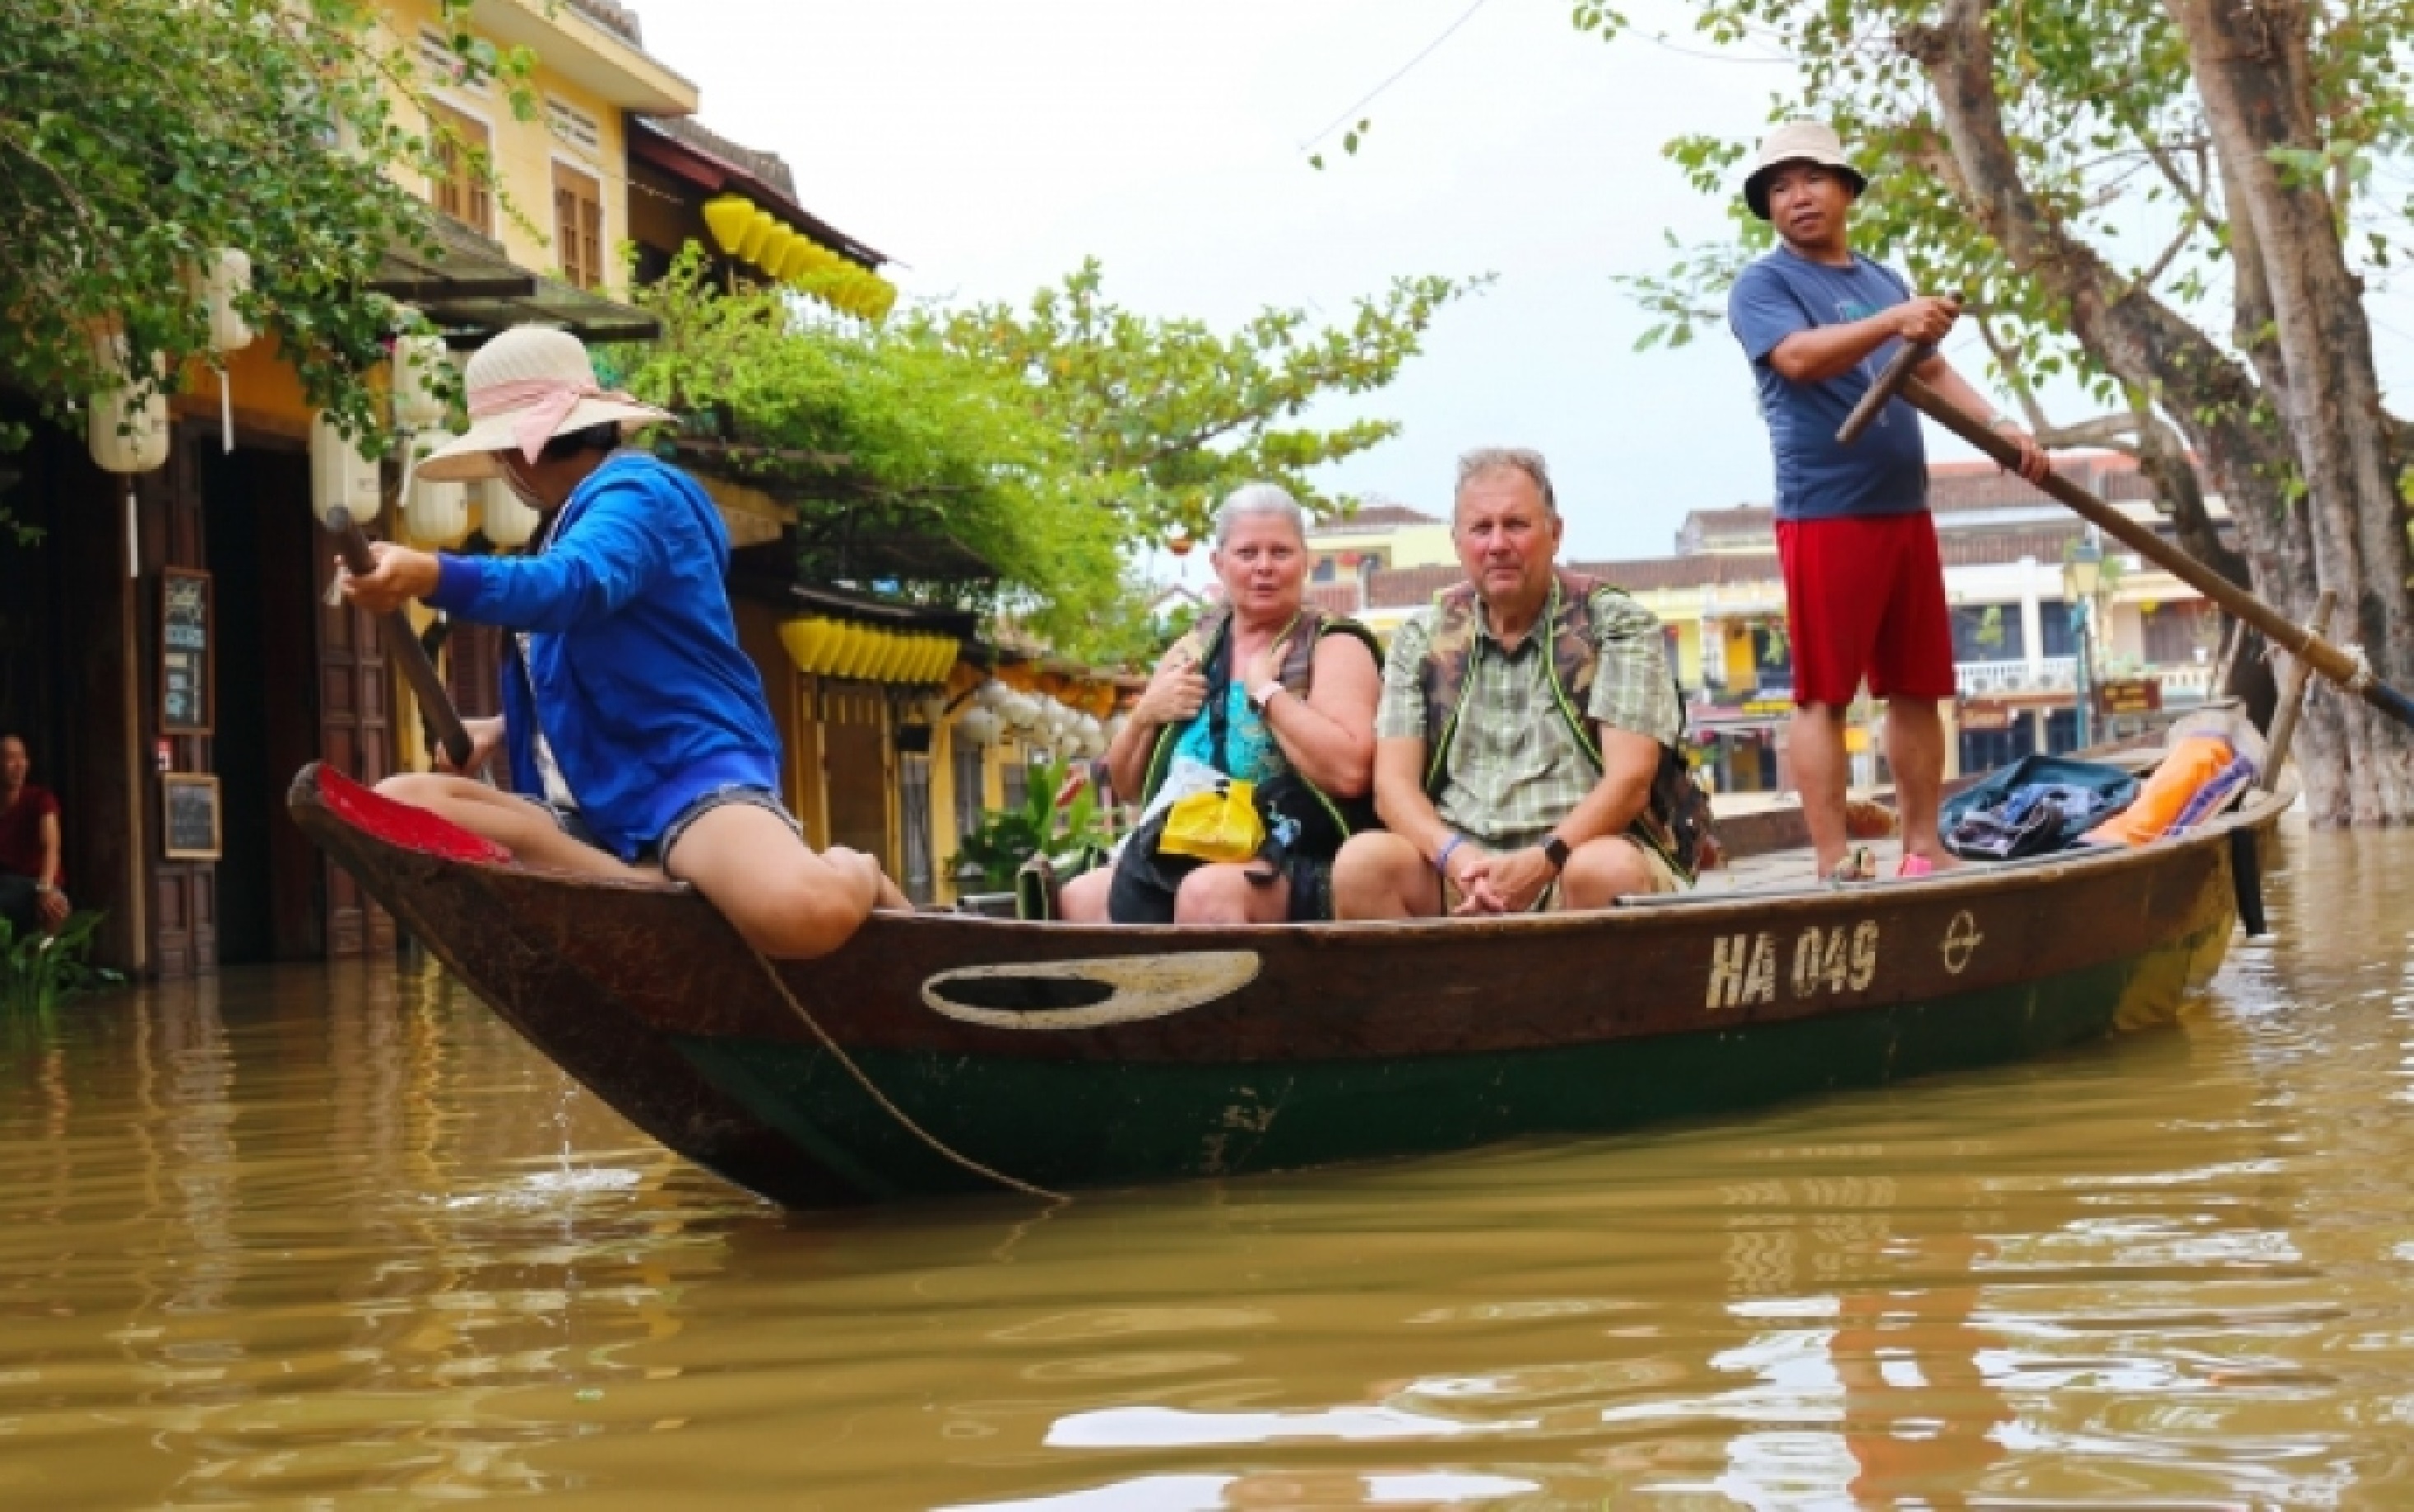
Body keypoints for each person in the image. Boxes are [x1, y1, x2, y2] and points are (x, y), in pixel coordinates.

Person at [341, 325, 903, 959]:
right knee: (399, 805)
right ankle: (645, 887)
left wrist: (433, 573)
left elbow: (572, 587)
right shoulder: (564, 524)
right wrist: (501, 729)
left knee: (803, 916)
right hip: (589, 803)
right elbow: (588, 669)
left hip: (682, 778)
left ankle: (853, 868)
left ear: (515, 455)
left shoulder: (637, 495)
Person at [1728, 120, 2053, 882]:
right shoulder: (1765, 286)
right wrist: (1892, 322)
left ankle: (1923, 845)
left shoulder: (1880, 279)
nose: (1798, 197)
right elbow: (1799, 358)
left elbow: (1934, 375)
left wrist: (2002, 429)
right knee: (1824, 694)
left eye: (1811, 180)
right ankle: (1834, 857)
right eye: (1780, 187)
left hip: (1903, 507)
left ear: (1845, 190)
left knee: (1917, 686)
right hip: (1825, 510)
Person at [1331, 449, 1703, 920]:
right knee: (1364, 863)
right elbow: (1392, 788)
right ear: (1458, 542)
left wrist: (1541, 861)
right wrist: (1459, 859)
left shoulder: (1615, 622)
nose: (1498, 543)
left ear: (1555, 533)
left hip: (1576, 854)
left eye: (1516, 525)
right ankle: (1420, 996)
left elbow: (1629, 782)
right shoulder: (1422, 635)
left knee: (1604, 867)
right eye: (1481, 528)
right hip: (1461, 871)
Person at [1057, 484, 1381, 925]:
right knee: (1081, 896)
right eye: (1248, 553)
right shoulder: (1193, 651)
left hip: (1295, 852)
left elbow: (1351, 773)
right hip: (1188, 841)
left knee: (1208, 892)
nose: (1264, 567)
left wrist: (1268, 695)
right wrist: (1145, 715)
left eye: (1280, 552)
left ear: (1305, 560)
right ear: (1219, 562)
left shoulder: (1333, 644)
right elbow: (1128, 786)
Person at [0, 733, 69, 935]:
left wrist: (45, 888)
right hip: (6, 882)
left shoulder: (40, 799)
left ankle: (42, 964)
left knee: (55, 907)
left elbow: (51, 846)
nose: (19, 764)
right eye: (10, 758)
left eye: (22, 757)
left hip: (37, 883)